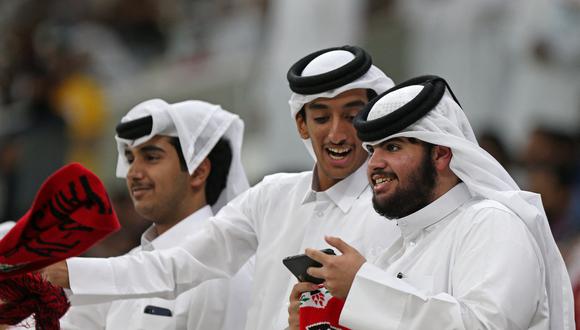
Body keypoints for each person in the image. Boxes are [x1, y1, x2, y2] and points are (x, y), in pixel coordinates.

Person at [43, 46, 401, 329]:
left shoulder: (395, 209)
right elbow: (177, 266)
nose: (337, 133)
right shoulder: (272, 195)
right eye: (321, 117)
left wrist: (363, 289)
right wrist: (72, 272)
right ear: (302, 125)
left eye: (353, 116)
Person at [290, 75, 574, 329]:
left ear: (440, 154)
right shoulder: (395, 253)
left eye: (392, 147)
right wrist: (320, 320)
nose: (374, 163)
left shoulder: (492, 223)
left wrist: (362, 287)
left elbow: (485, 326)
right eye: (372, 150)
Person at [59, 99, 254, 330]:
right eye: (131, 159)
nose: (133, 172)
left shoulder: (223, 269)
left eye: (151, 157)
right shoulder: (130, 263)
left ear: (199, 172)